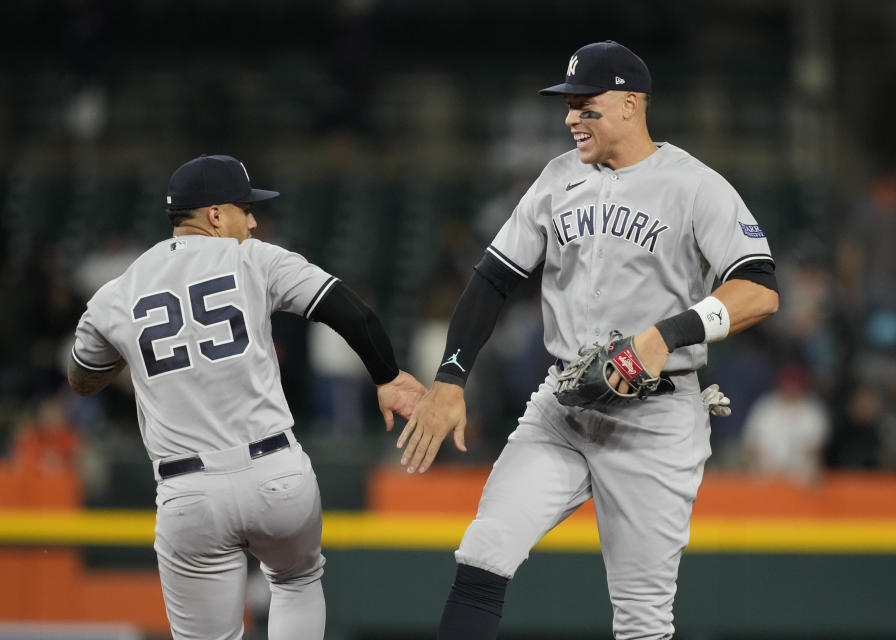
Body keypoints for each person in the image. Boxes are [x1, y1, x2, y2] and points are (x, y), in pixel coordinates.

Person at [396, 41, 780, 639]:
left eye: (586, 104)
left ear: (629, 104)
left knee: (641, 621)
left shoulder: (694, 186)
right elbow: (493, 278)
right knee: (483, 553)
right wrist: (450, 377)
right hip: (564, 404)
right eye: (568, 104)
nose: (571, 116)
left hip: (657, 417)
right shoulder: (557, 178)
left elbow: (758, 289)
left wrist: (662, 337)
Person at [66, 154, 425, 640]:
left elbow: (81, 377)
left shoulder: (117, 292)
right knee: (297, 580)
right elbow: (351, 311)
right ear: (215, 215)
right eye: (244, 208)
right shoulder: (253, 258)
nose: (253, 221)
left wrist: (130, 348)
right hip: (274, 474)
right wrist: (387, 376)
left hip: (187, 490)